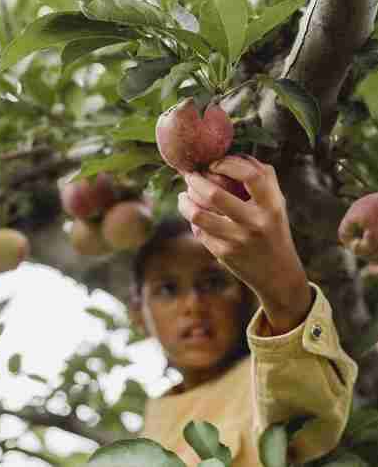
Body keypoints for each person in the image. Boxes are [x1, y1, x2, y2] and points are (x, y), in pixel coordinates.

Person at [129, 155, 358, 466]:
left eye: (212, 282)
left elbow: (304, 411)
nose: (193, 304)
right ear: (138, 314)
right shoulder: (149, 428)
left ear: (245, 294)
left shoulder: (263, 380)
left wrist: (283, 285)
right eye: (167, 289)